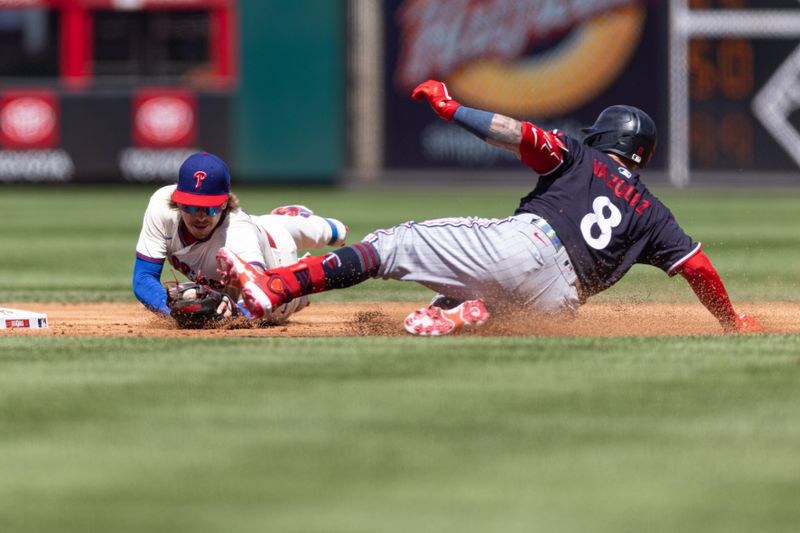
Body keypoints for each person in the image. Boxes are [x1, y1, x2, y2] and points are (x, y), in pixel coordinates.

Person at [215, 81, 762, 336]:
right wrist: (730, 320)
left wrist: (452, 109)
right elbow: (697, 266)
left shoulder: (582, 158)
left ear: (607, 139)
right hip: (559, 301)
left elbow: (515, 132)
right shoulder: (654, 211)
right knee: (487, 292)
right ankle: (465, 314)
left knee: (394, 243)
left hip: (528, 245)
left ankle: (277, 287)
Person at [133, 151, 348, 325]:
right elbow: (143, 279)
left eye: (208, 208)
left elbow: (256, 297)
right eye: (190, 205)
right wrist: (171, 311)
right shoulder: (161, 205)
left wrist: (229, 317)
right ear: (177, 201)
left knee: (283, 303)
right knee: (263, 226)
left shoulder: (238, 232)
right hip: (258, 230)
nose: (199, 216)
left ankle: (313, 226)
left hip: (277, 258)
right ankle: (286, 219)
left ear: (224, 203)